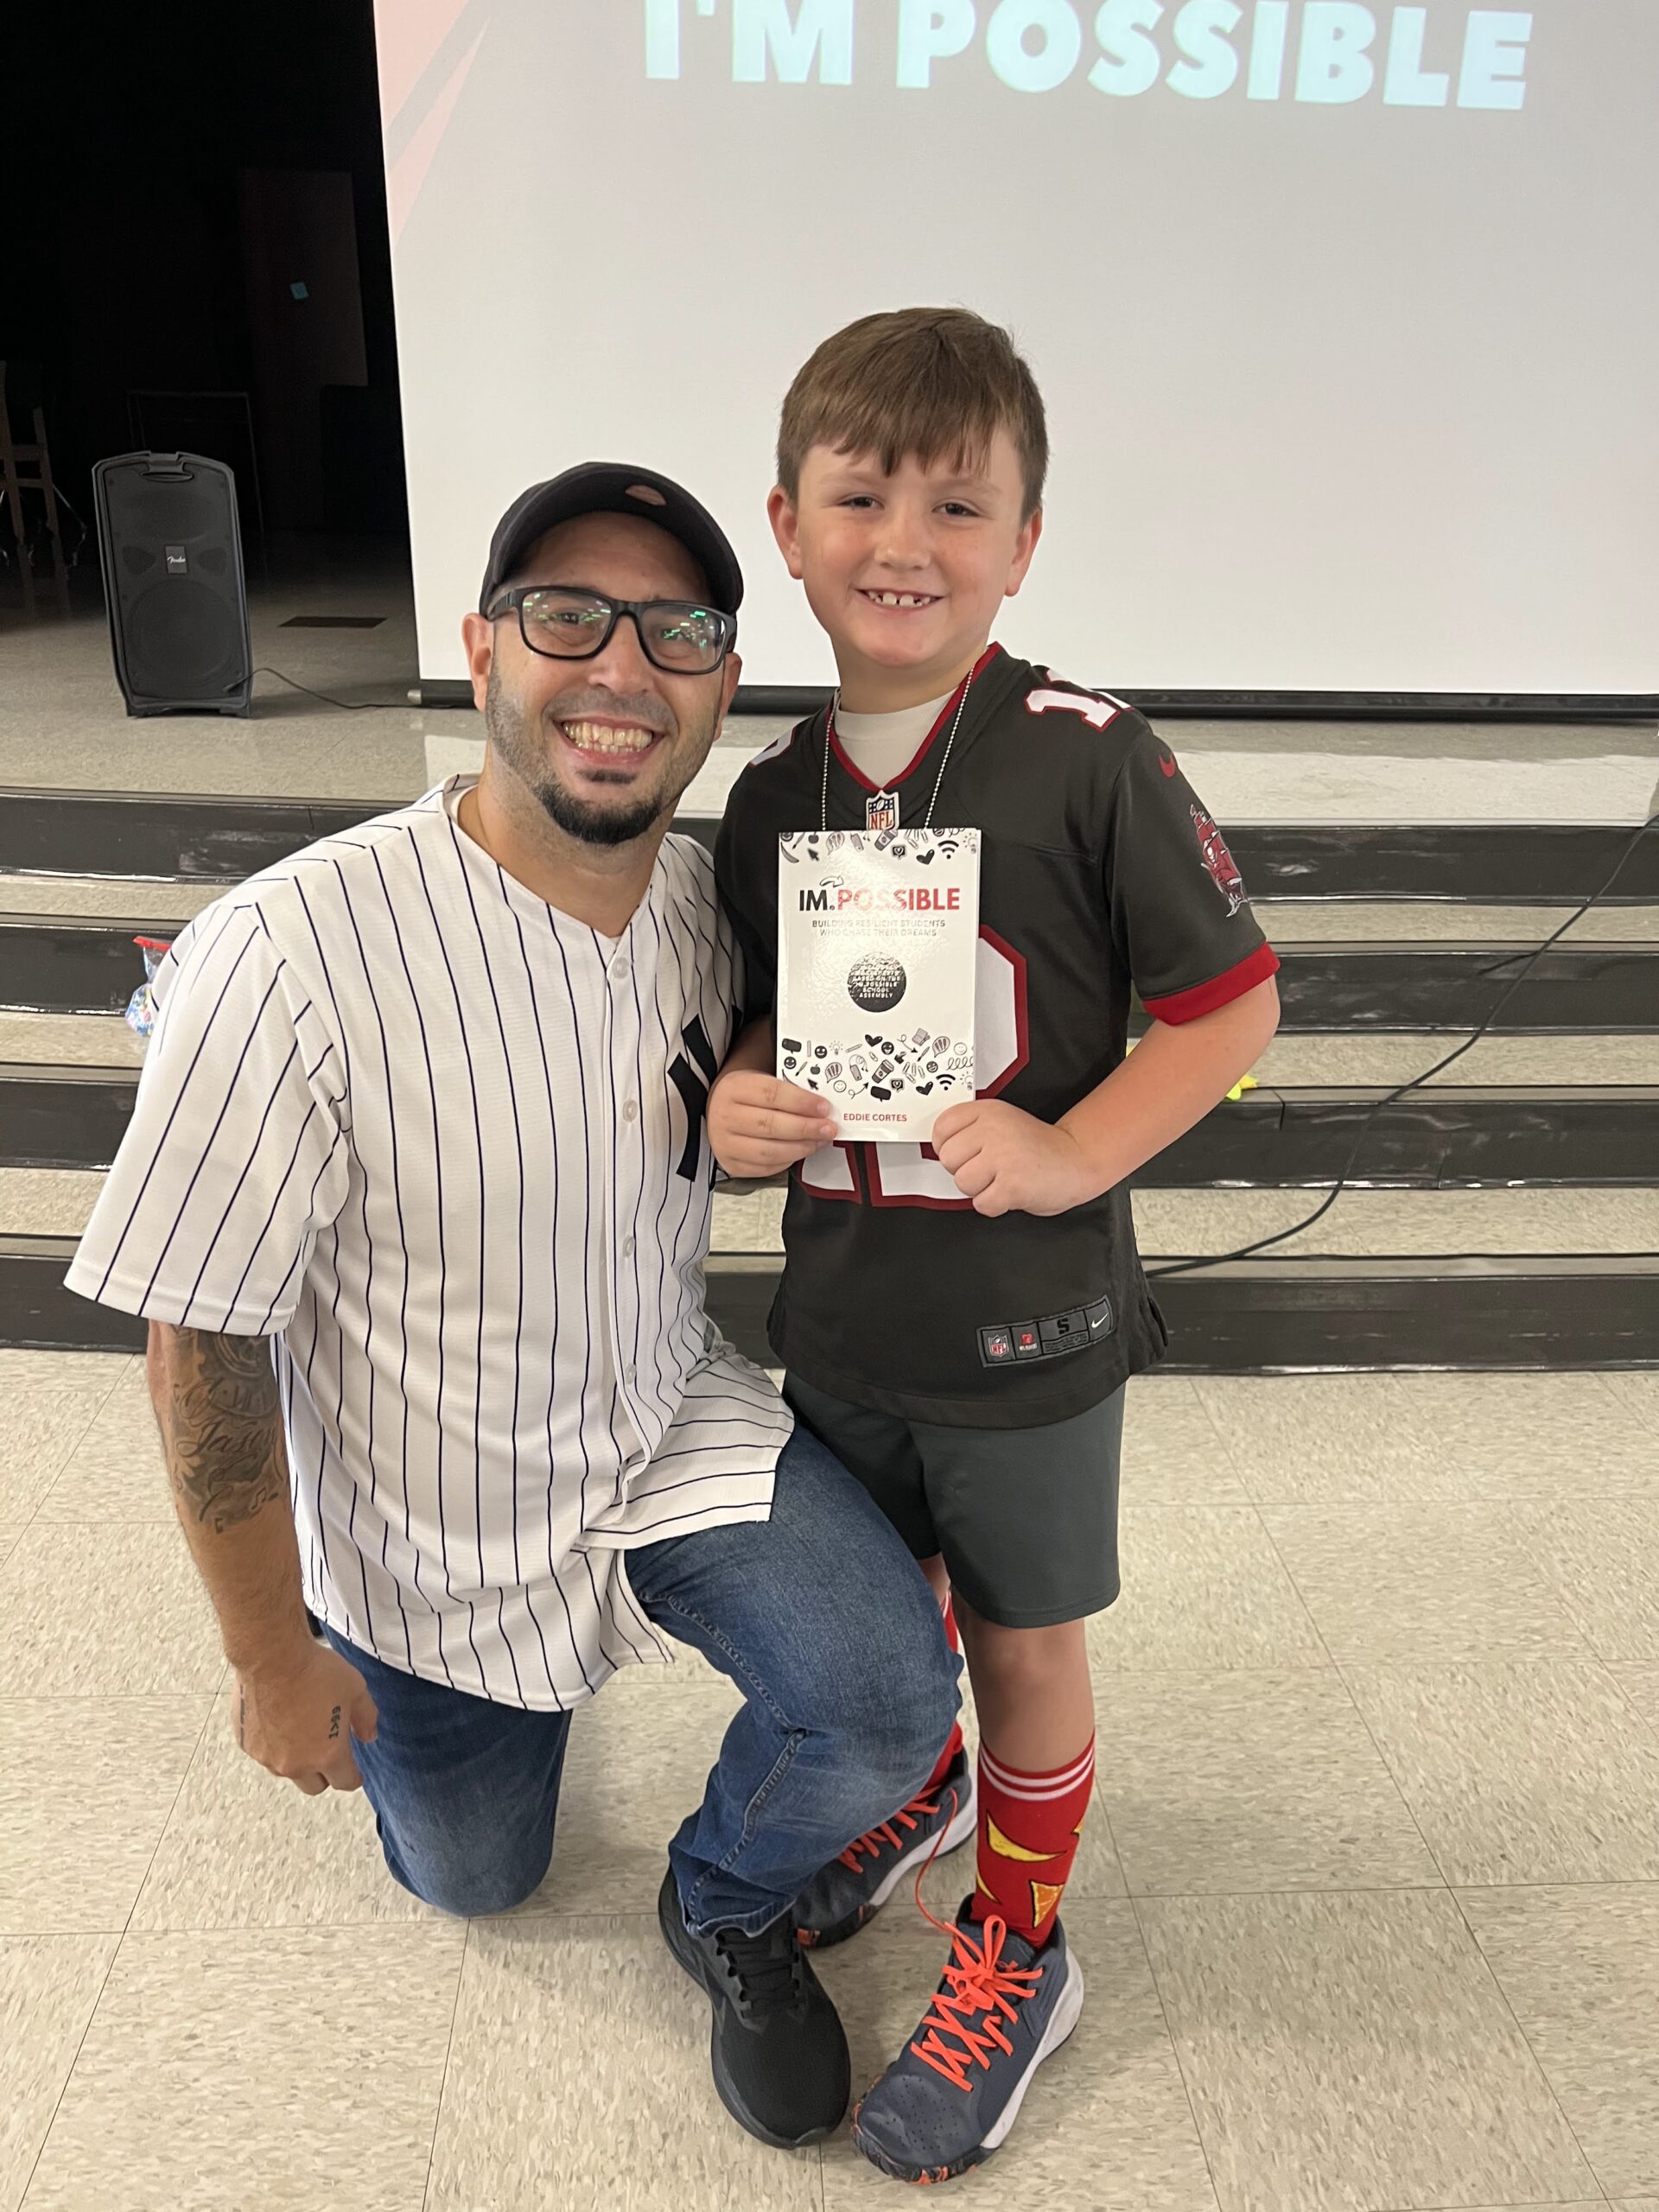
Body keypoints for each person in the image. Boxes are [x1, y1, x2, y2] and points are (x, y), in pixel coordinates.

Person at [65, 462, 958, 2157]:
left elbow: (783, 1052)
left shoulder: (702, 902)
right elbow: (202, 1339)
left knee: (887, 1699)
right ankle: (463, 1726)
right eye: (568, 615)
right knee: (477, 1878)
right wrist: (267, 1653)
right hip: (433, 1528)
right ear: (481, 649)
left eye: (677, 628)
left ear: (720, 682)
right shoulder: (293, 954)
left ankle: (726, 1897)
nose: (623, 665)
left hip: (663, 1420)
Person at [709, 311, 1282, 2184]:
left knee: (1027, 1641)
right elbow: (765, 1023)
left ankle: (1021, 1945)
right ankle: (928, 1787)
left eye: (959, 505)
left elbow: (1231, 1004)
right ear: (787, 525)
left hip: (1025, 1326)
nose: (906, 541)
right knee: (898, 1622)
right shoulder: (770, 796)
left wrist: (1073, 1149)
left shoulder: (1085, 755)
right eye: (862, 497)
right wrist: (741, 1098)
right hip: (843, 1314)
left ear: (1025, 543)